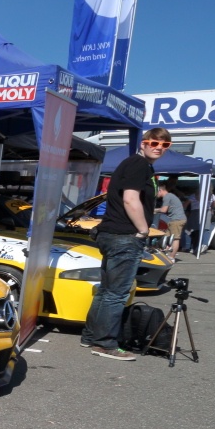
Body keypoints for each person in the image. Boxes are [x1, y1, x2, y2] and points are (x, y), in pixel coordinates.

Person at [80, 127, 171, 360]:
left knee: (106, 291)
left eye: (164, 145)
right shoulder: (138, 165)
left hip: (113, 234)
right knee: (116, 293)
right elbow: (130, 199)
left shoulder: (137, 165)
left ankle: (91, 336)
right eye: (154, 143)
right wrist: (143, 229)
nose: (159, 148)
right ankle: (104, 344)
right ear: (143, 143)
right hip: (124, 236)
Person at [155, 177, 186, 262]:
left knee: (175, 238)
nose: (155, 194)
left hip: (177, 219)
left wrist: (154, 210)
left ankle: (172, 257)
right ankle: (165, 255)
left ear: (160, 190)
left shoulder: (167, 197)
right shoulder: (170, 196)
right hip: (175, 219)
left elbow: (163, 210)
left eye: (156, 192)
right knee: (166, 236)